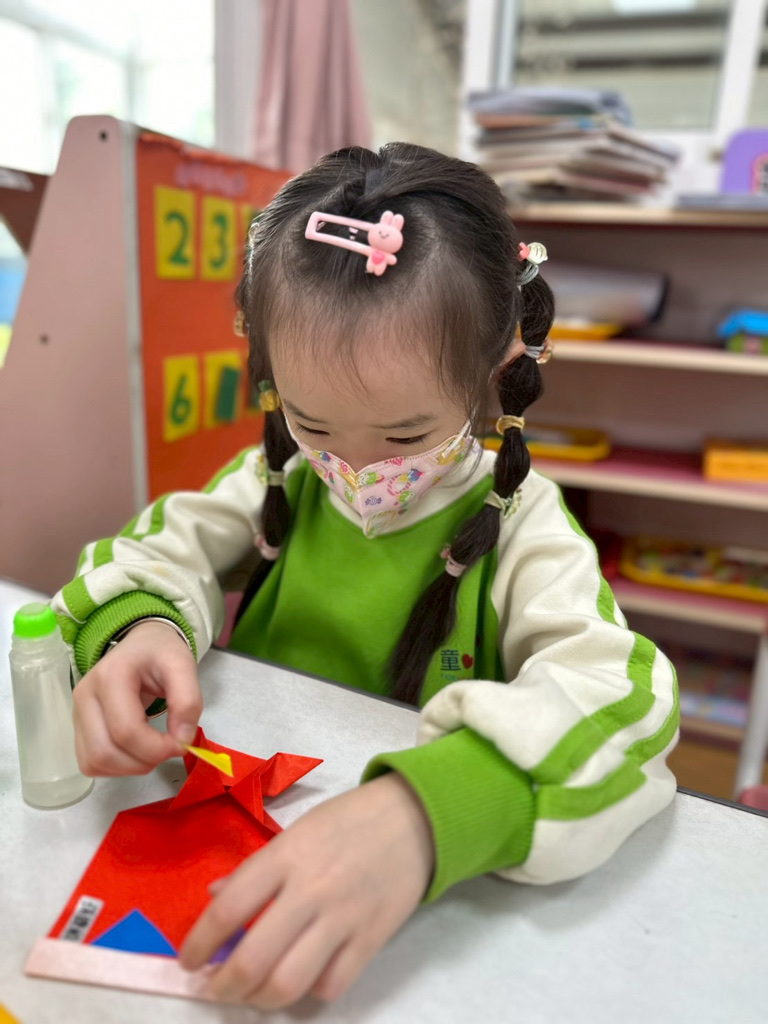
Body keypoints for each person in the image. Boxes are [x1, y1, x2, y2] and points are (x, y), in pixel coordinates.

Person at [52, 143, 679, 1009]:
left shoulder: (524, 522)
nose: (353, 468)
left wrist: (429, 814)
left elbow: (626, 702)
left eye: (404, 435)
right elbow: (151, 550)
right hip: (241, 827)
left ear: (498, 366)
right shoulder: (281, 475)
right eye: (311, 422)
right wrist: (138, 627)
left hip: (412, 917)